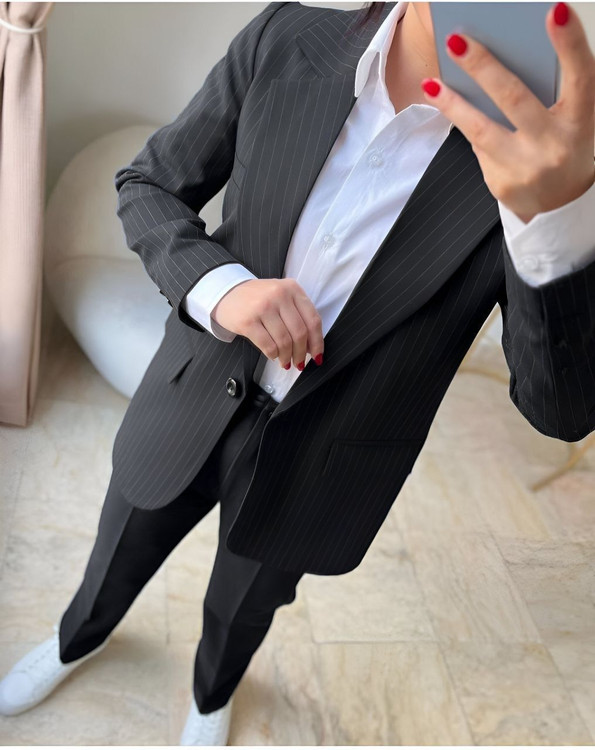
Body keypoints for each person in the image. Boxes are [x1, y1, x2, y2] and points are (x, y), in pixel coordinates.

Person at [1, 1, 594, 745]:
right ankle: (74, 641)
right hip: (189, 392)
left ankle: (212, 695)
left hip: (325, 462)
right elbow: (148, 183)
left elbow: (560, 410)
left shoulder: (543, 162)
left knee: (243, 608)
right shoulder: (284, 38)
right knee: (117, 550)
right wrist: (220, 288)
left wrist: (553, 221)